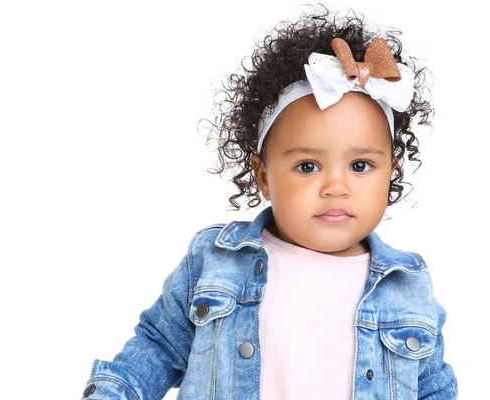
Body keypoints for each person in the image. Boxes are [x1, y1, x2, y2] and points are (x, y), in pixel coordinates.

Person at [81, 4, 458, 399]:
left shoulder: (408, 287)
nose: (336, 186)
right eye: (308, 166)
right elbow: (156, 349)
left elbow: (434, 388)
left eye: (360, 165)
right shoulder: (216, 263)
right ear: (263, 175)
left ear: (391, 171)